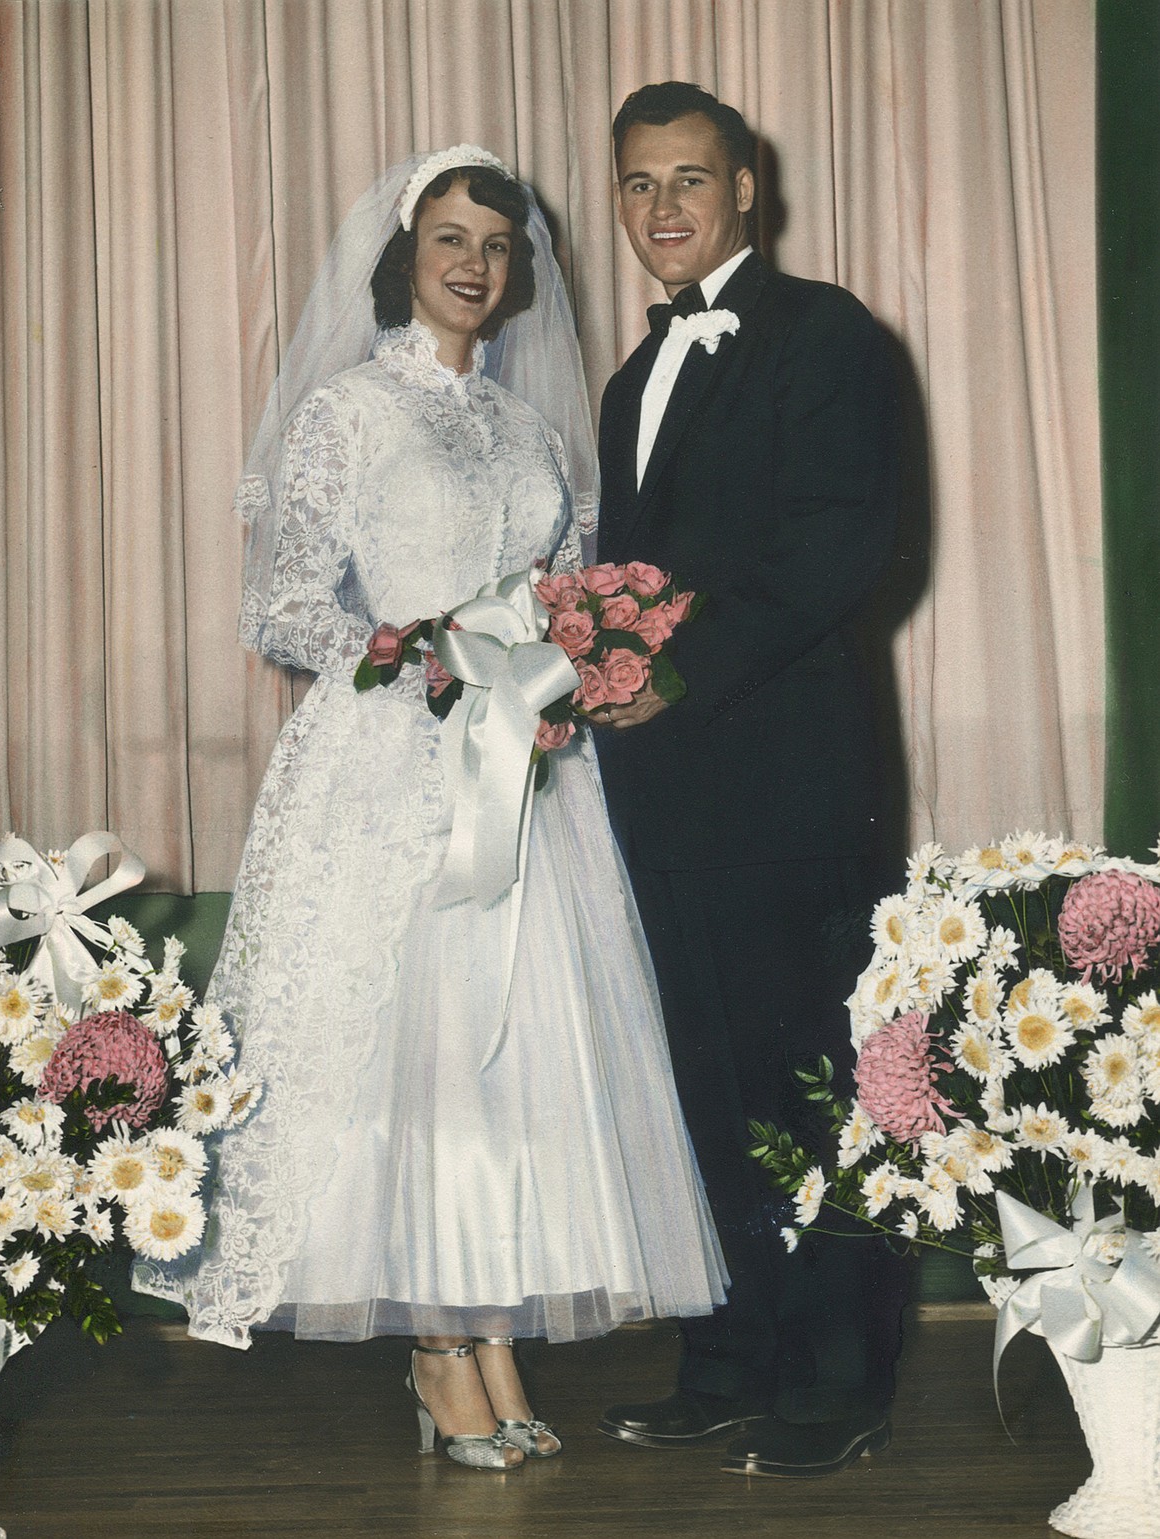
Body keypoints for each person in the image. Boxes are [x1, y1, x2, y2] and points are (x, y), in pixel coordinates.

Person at [135, 146, 726, 1473]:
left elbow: (568, 597)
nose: (472, 265)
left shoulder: (528, 432)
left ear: (519, 276)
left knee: (509, 1054)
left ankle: (488, 1327)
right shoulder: (346, 412)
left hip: (525, 772)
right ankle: (437, 1345)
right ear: (407, 257)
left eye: (496, 247)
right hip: (387, 763)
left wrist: (564, 667)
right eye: (450, 240)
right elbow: (282, 607)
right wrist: (420, 656)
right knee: (422, 1050)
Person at [593, 83, 904, 1478]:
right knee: (694, 1083)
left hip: (787, 783)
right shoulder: (625, 380)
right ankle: (725, 1356)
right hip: (661, 794)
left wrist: (677, 678)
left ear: (743, 194)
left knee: (807, 1079)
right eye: (639, 186)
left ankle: (835, 1377)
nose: (664, 210)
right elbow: (621, 589)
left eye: (689, 182)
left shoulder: (824, 332)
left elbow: (840, 552)